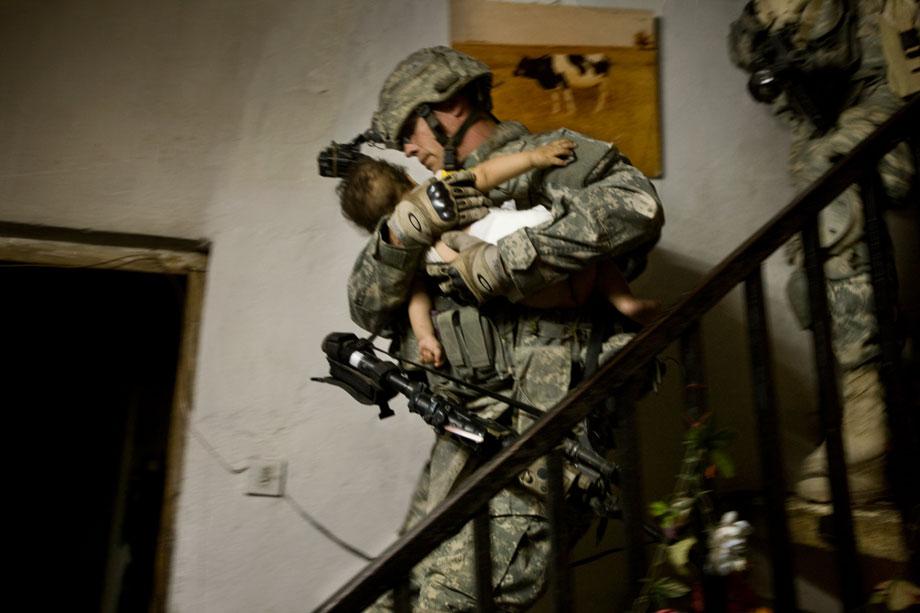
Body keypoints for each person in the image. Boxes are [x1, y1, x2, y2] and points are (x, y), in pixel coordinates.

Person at [345, 46, 664, 611]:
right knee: (396, 590)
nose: (407, 150)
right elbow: (367, 310)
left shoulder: (551, 157)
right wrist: (399, 234)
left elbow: (635, 205)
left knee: (451, 602)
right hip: (464, 435)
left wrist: (508, 259)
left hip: (544, 438)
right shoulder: (428, 194)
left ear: (450, 107)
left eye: (409, 131)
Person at [729, 0, 916, 504]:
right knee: (808, 275)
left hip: (894, 103)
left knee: (834, 213)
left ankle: (869, 415)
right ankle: (876, 402)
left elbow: (862, 61)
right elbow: (751, 56)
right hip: (828, 127)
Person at [336, 140, 659, 367]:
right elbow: (486, 175)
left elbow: (417, 302)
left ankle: (613, 302)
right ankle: (623, 300)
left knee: (530, 290)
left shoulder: (418, 254)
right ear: (408, 178)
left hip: (524, 280)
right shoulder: (440, 188)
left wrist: (425, 338)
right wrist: (535, 158)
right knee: (589, 262)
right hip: (528, 241)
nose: (409, 147)